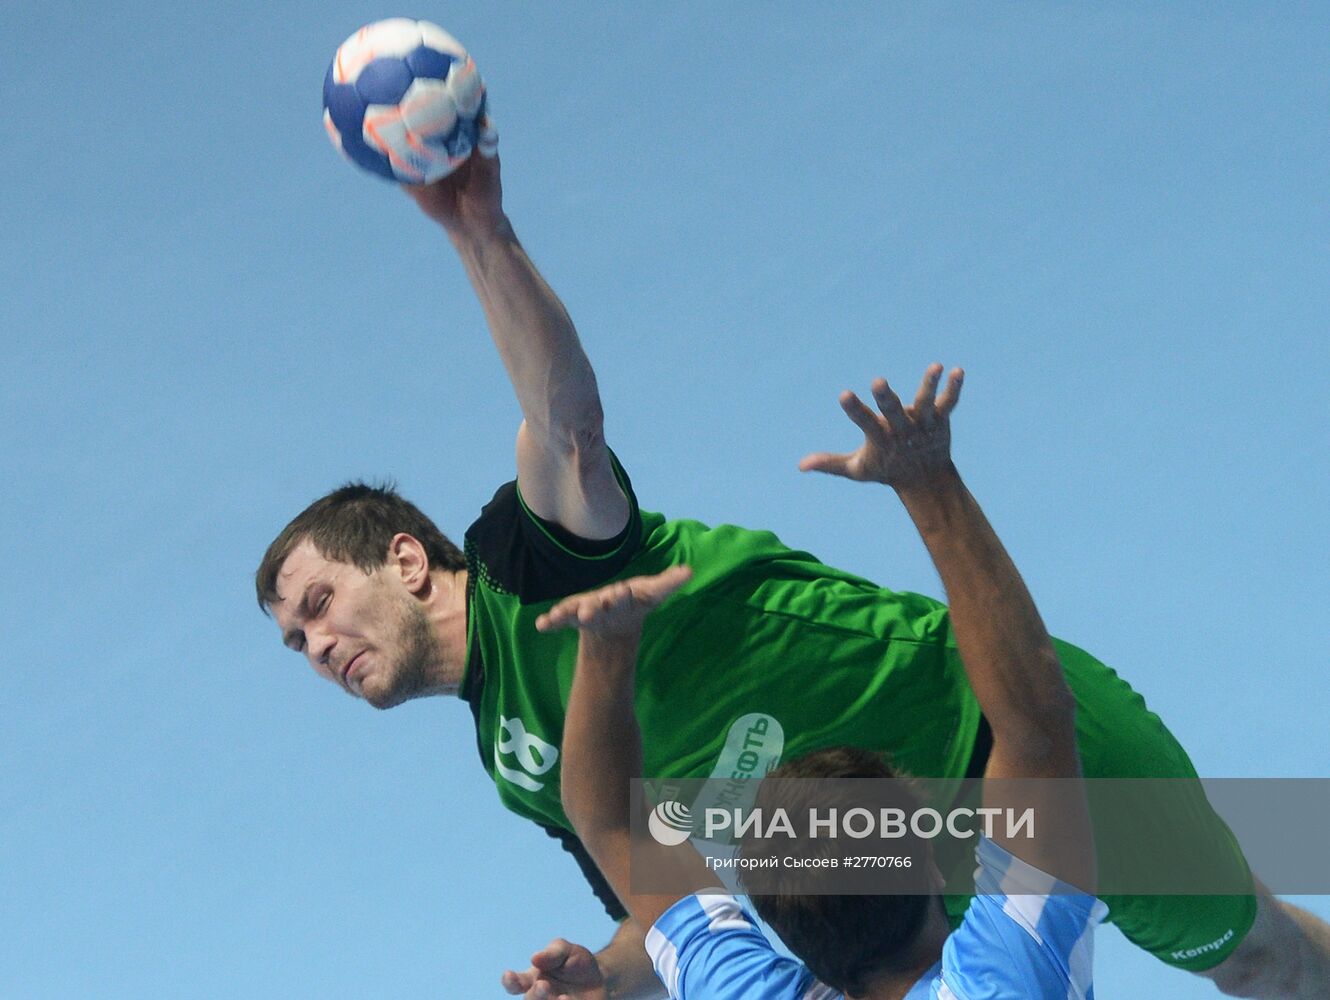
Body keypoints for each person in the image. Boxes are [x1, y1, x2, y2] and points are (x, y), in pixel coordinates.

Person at [257, 143, 1330, 998]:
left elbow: (564, 418)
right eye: (295, 641)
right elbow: (652, 878)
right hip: (855, 899)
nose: (317, 647)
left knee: (1259, 962)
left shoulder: (530, 557)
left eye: (318, 604)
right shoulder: (512, 760)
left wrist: (479, 232)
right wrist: (608, 979)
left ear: (405, 558)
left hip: (992, 729)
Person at [518, 363, 1106, 999]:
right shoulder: (1011, 971)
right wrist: (928, 484)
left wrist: (605, 652)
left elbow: (607, 824)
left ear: (778, 926)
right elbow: (1035, 721)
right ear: (934, 865)